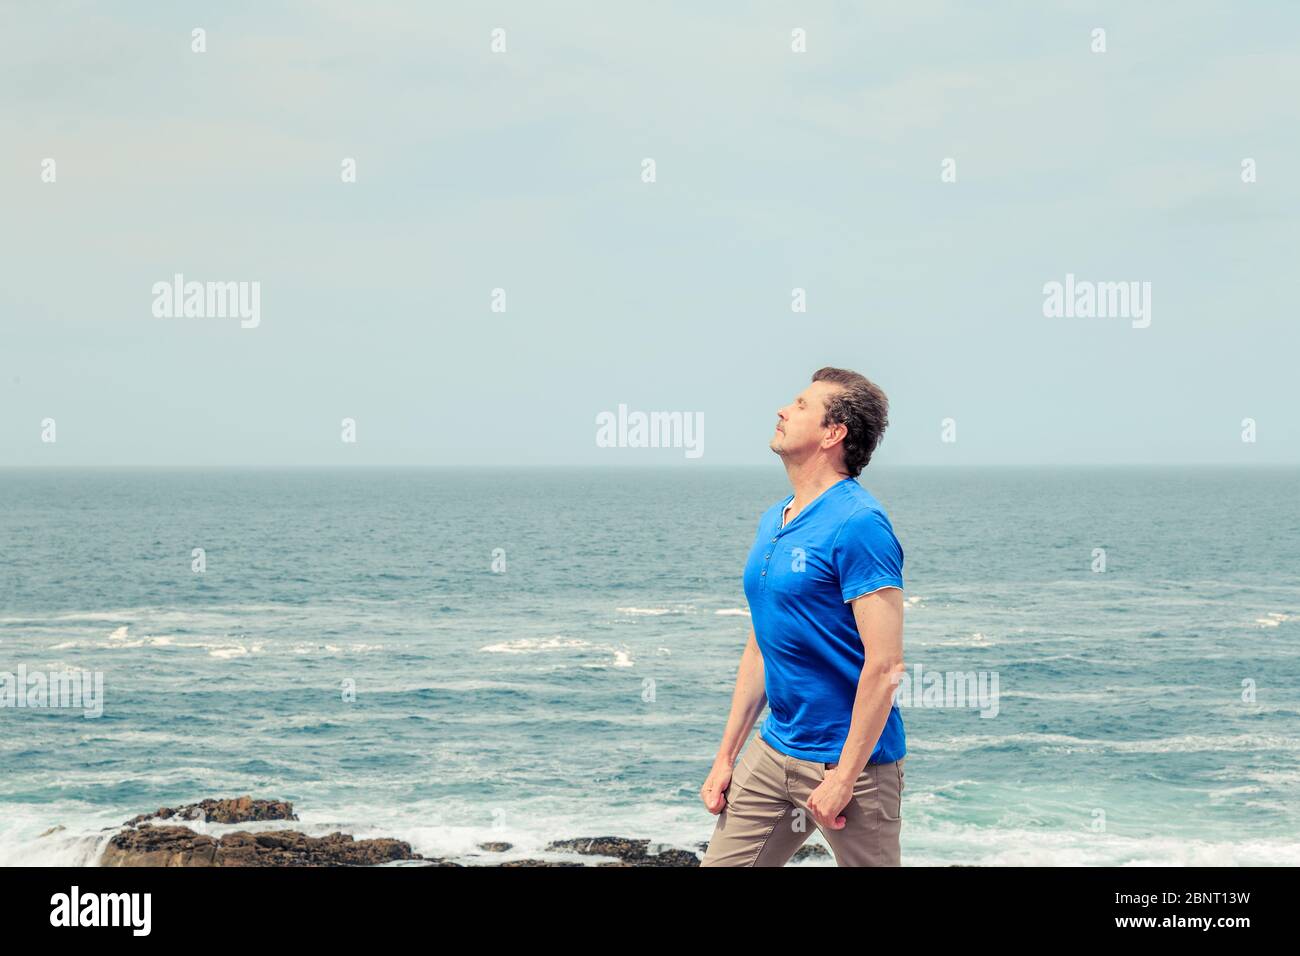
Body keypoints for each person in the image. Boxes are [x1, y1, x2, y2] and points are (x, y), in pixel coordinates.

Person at [699, 367, 907, 866]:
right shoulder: (776, 518)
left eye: (800, 405)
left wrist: (843, 778)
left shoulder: (860, 525)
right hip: (774, 752)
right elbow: (761, 645)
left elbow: (884, 667)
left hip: (851, 765)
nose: (782, 410)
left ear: (833, 434)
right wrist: (726, 756)